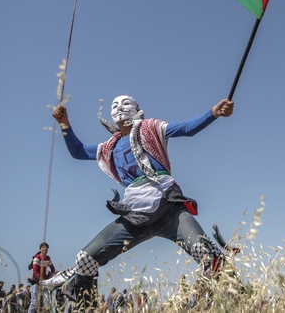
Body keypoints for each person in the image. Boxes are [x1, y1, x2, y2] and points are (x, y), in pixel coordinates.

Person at [45, 96, 234, 308]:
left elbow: (186, 129)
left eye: (126, 103)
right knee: (85, 260)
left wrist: (213, 113)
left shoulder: (151, 128)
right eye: (115, 105)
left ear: (137, 109)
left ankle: (231, 304)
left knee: (210, 255)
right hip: (134, 215)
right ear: (111, 115)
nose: (120, 108)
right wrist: (64, 123)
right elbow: (78, 152)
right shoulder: (110, 147)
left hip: (168, 209)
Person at [28, 243, 54, 313]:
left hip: (44, 283)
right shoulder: (37, 258)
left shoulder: (48, 258)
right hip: (36, 282)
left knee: (47, 302)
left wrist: (49, 279)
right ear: (40, 249)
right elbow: (35, 271)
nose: (45, 249)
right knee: (34, 302)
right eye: (43, 247)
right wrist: (41, 279)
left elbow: (53, 269)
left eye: (46, 247)